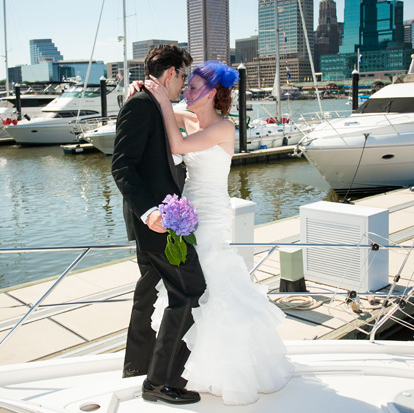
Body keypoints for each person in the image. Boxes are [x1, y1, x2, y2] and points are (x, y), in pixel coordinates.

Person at [144, 60, 294, 405]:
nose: (187, 91)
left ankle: (232, 372)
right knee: (197, 292)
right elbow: (165, 116)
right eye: (188, 85)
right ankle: (197, 369)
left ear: (212, 94)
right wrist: (147, 93)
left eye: (194, 87)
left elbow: (178, 147)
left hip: (210, 217)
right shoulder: (192, 117)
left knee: (215, 288)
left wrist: (166, 104)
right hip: (187, 213)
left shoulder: (224, 128)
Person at [111, 45, 206, 405]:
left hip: (159, 220)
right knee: (189, 290)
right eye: (182, 75)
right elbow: (122, 166)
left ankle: (139, 366)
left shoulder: (151, 102)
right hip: (155, 223)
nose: (183, 83)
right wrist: (150, 212)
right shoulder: (139, 104)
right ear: (170, 74)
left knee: (149, 289)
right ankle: (159, 381)